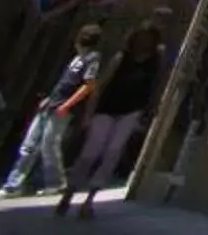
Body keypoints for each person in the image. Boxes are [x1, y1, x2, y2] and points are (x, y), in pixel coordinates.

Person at [53, 24, 158, 220]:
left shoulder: (153, 63)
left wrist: (148, 113)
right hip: (106, 110)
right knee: (90, 153)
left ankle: (89, 201)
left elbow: (153, 89)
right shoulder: (121, 59)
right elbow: (100, 85)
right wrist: (89, 113)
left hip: (130, 112)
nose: (145, 43)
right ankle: (69, 193)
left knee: (112, 152)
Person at [0, 25, 99, 199]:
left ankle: (55, 182)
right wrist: (50, 98)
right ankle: (14, 185)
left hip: (62, 107)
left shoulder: (92, 59)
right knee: (30, 144)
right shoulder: (77, 58)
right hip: (52, 104)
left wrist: (67, 105)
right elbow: (65, 83)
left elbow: (89, 86)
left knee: (49, 144)